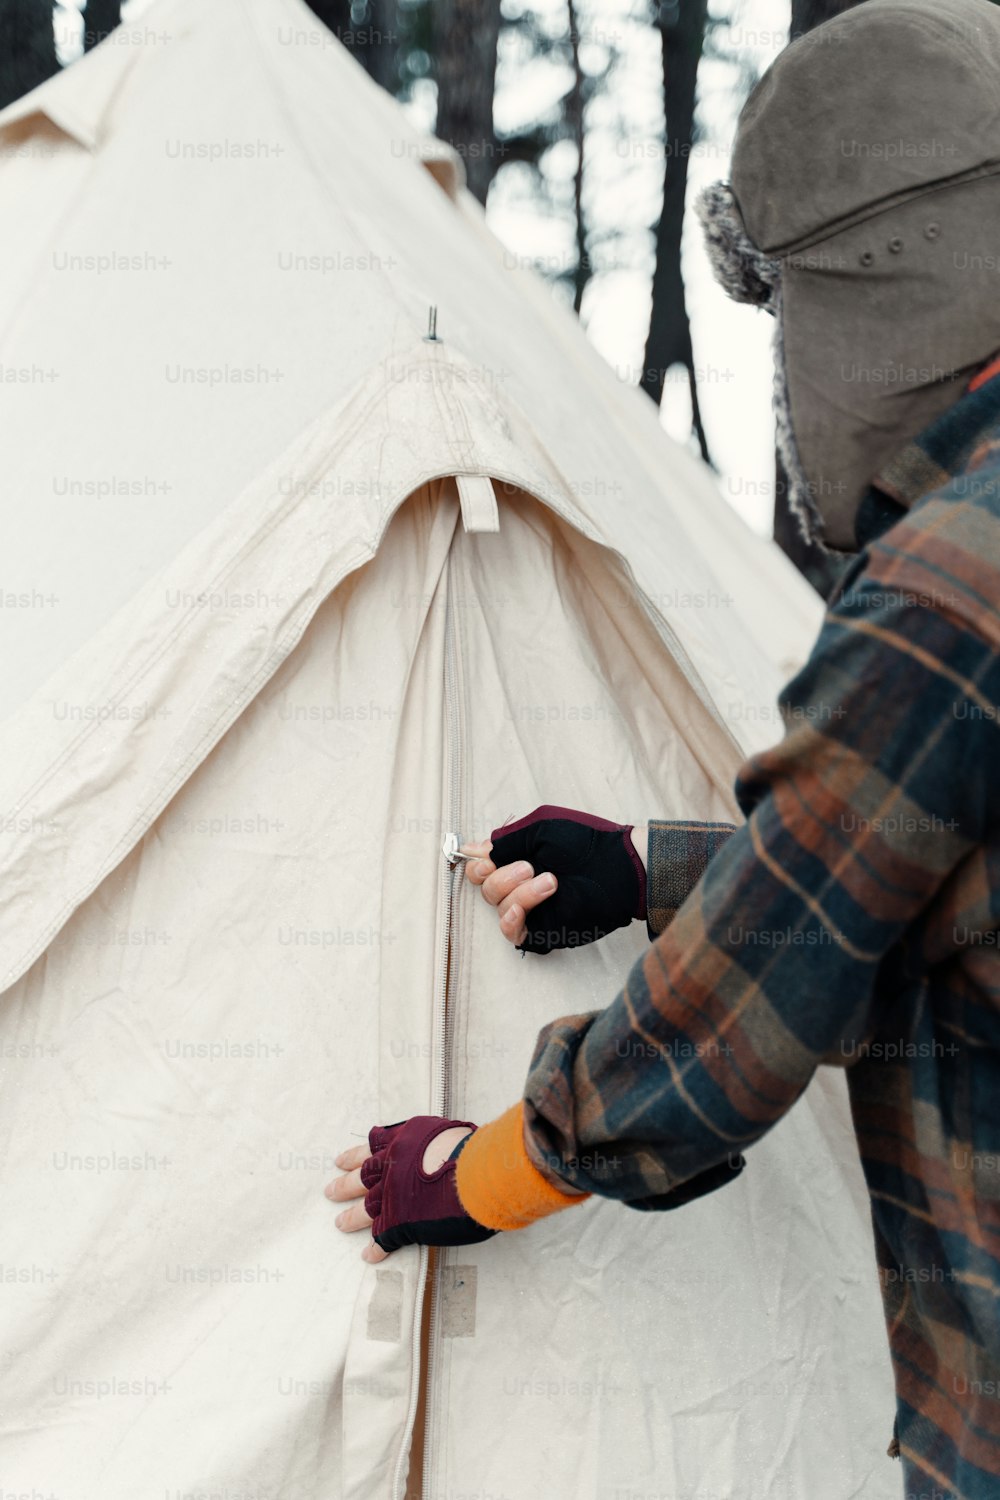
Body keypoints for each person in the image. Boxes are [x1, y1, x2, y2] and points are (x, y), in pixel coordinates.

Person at [329, 0, 1000, 1492]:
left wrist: (479, 1174)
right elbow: (939, 869)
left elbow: (756, 999)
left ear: (869, 285)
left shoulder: (961, 573)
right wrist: (640, 868)